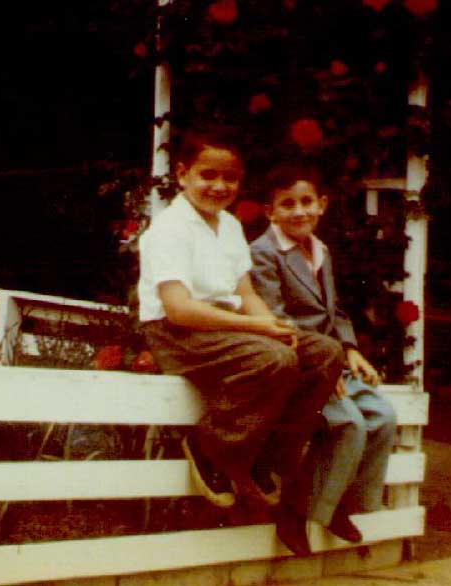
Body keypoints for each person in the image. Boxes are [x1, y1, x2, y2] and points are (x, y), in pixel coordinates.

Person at [138, 126, 344, 556]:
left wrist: (279, 328)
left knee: (324, 353)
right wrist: (261, 332)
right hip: (179, 332)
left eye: (229, 178)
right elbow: (179, 309)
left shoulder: (230, 226)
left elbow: (247, 295)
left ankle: (267, 457)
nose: (219, 186)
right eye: (207, 175)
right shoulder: (168, 229)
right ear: (182, 174)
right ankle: (211, 445)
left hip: (226, 326)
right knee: (274, 359)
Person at [250, 161, 397, 544]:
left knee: (382, 416)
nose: (298, 211)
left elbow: (335, 312)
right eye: (287, 204)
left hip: (333, 359)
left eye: (306, 202)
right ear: (271, 211)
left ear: (322, 205)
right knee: (348, 424)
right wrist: (325, 368)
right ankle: (296, 512)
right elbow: (276, 321)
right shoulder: (263, 254)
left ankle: (341, 505)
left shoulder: (320, 251)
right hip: (302, 365)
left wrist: (350, 350)